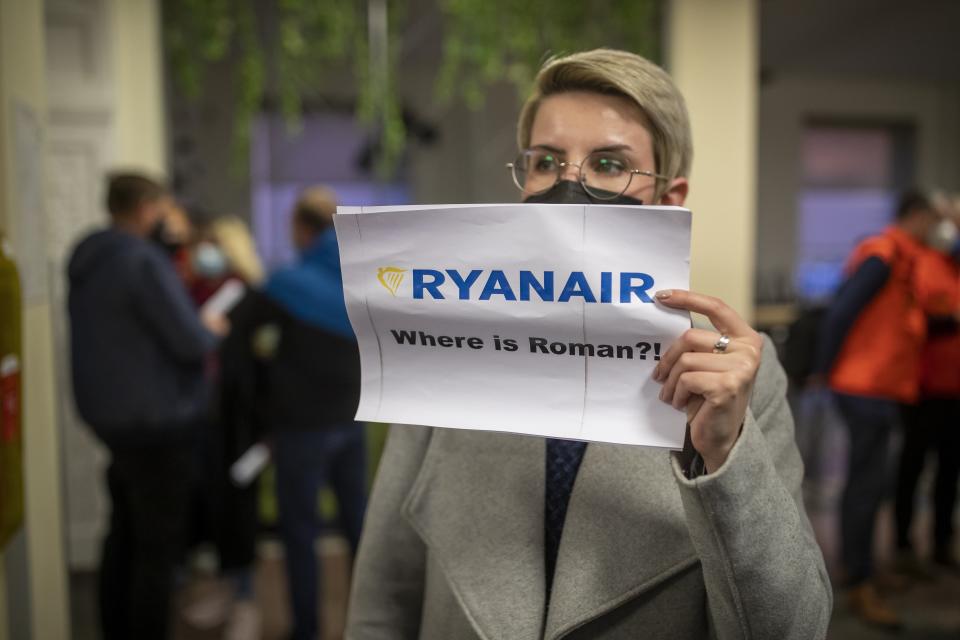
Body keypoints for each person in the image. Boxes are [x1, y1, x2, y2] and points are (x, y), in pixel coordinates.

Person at [346, 49, 831, 639]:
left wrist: (725, 455)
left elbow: (791, 627)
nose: (569, 184)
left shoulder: (737, 377)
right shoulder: (448, 339)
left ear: (669, 199)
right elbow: (383, 592)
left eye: (608, 163)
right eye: (546, 161)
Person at [68, 173, 228, 639]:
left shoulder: (89, 258)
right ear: (146, 209)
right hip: (159, 422)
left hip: (112, 419)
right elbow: (189, 339)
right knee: (157, 549)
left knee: (123, 535)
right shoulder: (142, 261)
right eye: (163, 209)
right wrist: (210, 329)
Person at [239, 187, 366, 640]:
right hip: (354, 417)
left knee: (300, 532)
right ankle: (372, 626)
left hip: (300, 426)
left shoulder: (287, 285)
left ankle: (307, 630)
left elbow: (238, 336)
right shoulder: (363, 278)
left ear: (301, 228)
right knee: (361, 529)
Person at [813, 189, 940, 627]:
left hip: (884, 386)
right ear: (917, 216)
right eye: (932, 220)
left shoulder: (905, 258)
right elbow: (840, 312)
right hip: (863, 386)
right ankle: (857, 584)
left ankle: (863, 570)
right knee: (866, 486)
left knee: (873, 484)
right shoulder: (883, 254)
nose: (936, 230)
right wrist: (823, 370)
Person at [894, 194, 960, 574]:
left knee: (949, 471)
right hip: (920, 385)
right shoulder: (919, 261)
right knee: (912, 467)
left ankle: (942, 543)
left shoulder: (953, 265)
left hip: (954, 388)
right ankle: (903, 547)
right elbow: (915, 318)